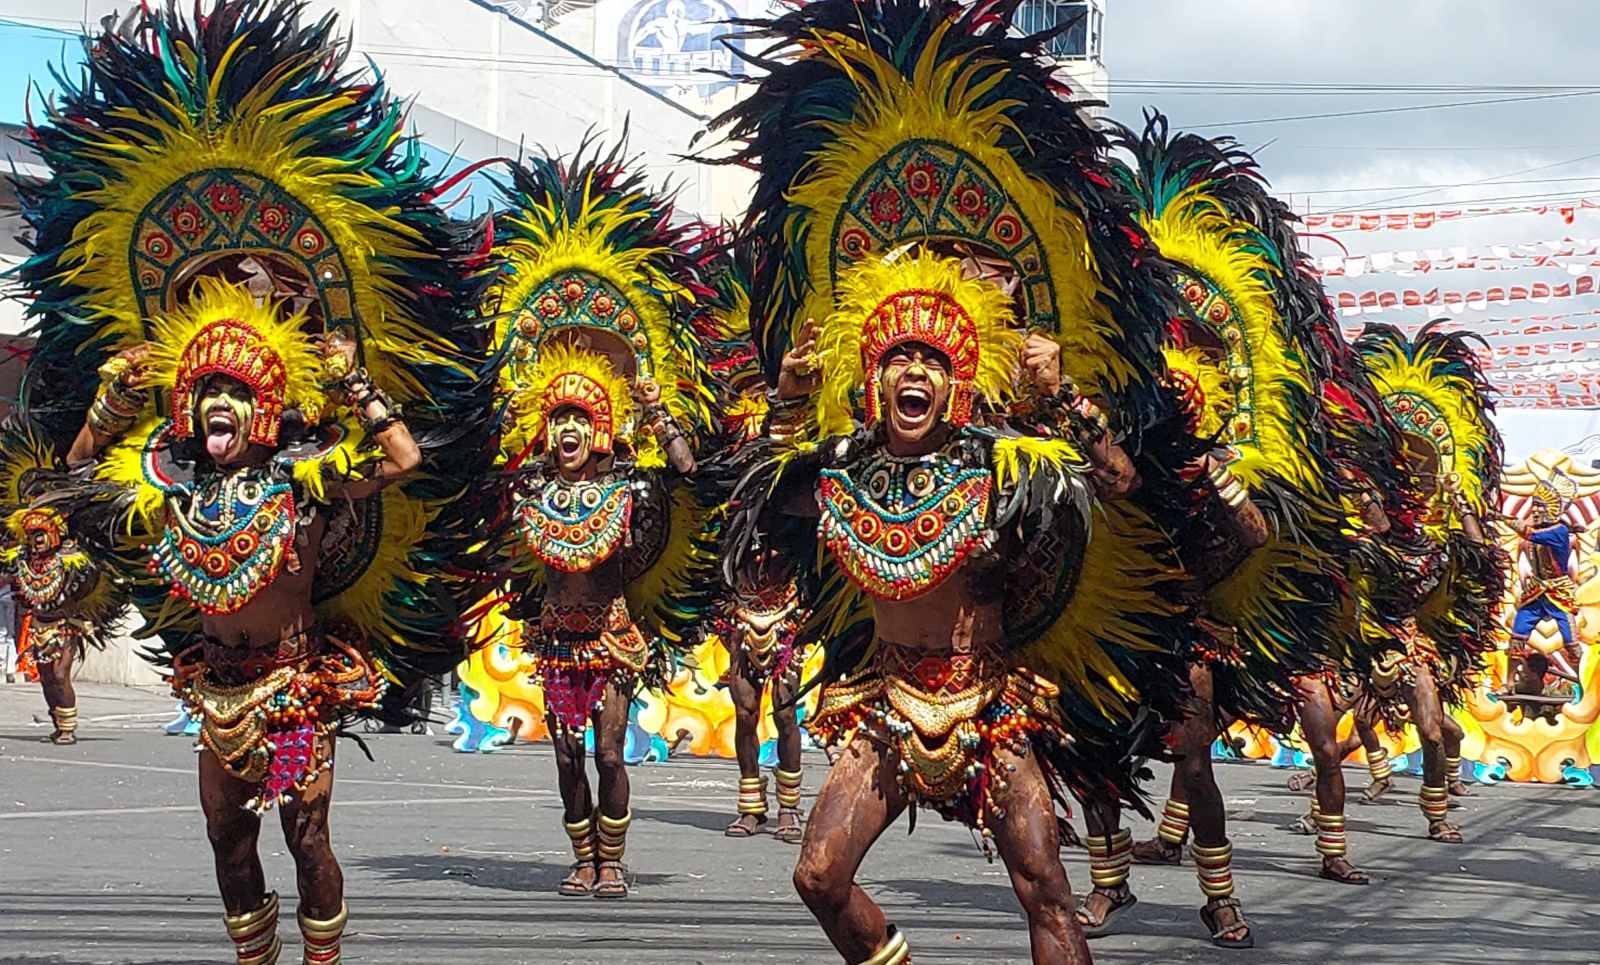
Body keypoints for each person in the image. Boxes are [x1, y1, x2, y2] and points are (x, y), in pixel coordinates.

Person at [710, 7, 1203, 958]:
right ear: (870, 376)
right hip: (886, 705)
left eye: (932, 363)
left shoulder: (1006, 466)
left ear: (960, 378)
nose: (911, 376)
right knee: (817, 875)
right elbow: (759, 510)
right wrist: (785, 399)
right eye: (895, 360)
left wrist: (1061, 405)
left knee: (1046, 899)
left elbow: (1122, 488)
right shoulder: (846, 467)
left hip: (993, 702)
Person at [22, 3, 488, 959]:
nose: (221, 407)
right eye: (207, 393)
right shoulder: (164, 474)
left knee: (304, 834)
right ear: (189, 407)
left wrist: (356, 381)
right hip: (214, 691)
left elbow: (401, 462)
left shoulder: (304, 475)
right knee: (227, 841)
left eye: (239, 391)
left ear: (267, 406)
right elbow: (70, 490)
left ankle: (322, 955)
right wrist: (109, 407)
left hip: (290, 687)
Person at [476, 143, 721, 899]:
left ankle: (611, 860)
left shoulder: (633, 486)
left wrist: (657, 410)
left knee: (611, 753)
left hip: (613, 632)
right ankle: (580, 856)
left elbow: (691, 474)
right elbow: (483, 484)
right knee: (563, 757)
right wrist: (508, 413)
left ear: (604, 429)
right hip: (553, 634)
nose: (570, 432)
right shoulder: (530, 488)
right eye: (560, 420)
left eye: (583, 419)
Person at [1353, 321, 1507, 844]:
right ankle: (1330, 822)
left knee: (1433, 730)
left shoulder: (1438, 541)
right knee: (1327, 735)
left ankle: (1437, 812)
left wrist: (1465, 512)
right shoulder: (1363, 527)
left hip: (1411, 642)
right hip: (1355, 639)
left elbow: (1484, 561)